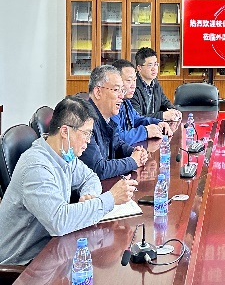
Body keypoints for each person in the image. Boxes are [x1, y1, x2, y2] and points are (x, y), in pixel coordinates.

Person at [0, 96, 137, 265]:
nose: (88, 140)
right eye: (86, 133)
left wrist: (89, 196)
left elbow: (90, 177)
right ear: (65, 131)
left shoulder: (65, 154)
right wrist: (111, 198)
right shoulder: (36, 167)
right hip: (22, 265)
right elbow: (60, 222)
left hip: (51, 250)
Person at [81, 65, 148, 180]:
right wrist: (133, 161)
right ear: (98, 92)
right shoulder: (84, 120)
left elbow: (117, 145)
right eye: (116, 90)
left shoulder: (107, 118)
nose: (121, 96)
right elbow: (98, 169)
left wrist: (135, 152)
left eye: (122, 90)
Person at [111, 59, 172, 145]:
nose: (133, 85)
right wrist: (146, 132)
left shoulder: (126, 101)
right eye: (129, 80)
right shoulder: (111, 104)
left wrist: (158, 123)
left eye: (134, 80)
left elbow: (137, 119)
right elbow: (118, 138)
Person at [131, 47, 182, 121]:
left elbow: (165, 102)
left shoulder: (155, 83)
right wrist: (162, 115)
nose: (154, 68)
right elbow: (137, 119)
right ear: (139, 68)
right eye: (150, 65)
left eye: (155, 64)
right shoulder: (132, 87)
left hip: (157, 125)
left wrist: (174, 111)